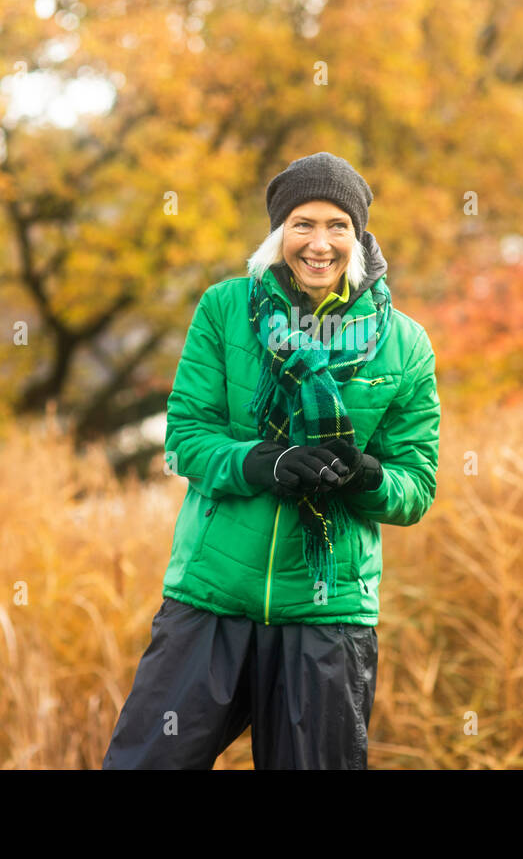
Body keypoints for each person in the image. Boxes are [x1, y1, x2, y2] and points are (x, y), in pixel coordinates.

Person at [101, 151, 440, 769]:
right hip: (211, 599)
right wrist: (267, 464)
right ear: (279, 232)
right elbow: (186, 437)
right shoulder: (226, 308)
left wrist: (366, 477)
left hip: (327, 612)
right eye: (302, 224)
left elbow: (415, 484)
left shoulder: (404, 342)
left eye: (337, 225)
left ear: (358, 236)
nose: (319, 243)